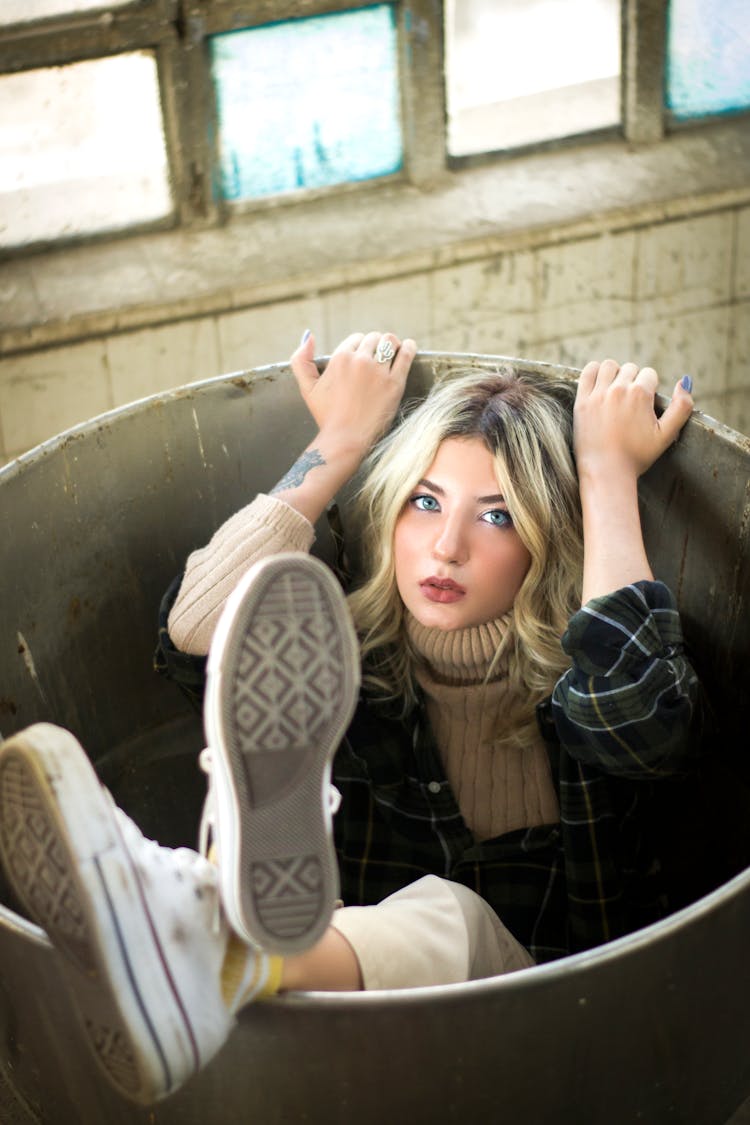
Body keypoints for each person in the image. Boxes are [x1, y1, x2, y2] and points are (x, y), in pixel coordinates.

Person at [0, 330, 700, 1107]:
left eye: (497, 518)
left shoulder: (583, 688)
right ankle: (211, 937)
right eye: (424, 501)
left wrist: (606, 474)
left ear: (546, 539)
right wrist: (341, 438)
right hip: (335, 1029)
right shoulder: (342, 665)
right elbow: (195, 629)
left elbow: (641, 718)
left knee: (451, 917)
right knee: (327, 904)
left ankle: (188, 927)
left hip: (543, 1048)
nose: (446, 545)